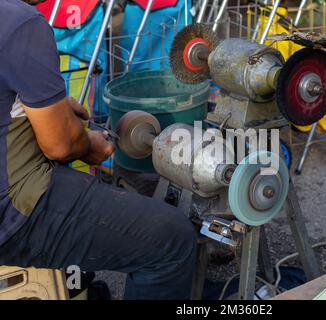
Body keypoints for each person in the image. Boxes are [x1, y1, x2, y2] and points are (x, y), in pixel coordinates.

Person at [0, 0, 197, 300]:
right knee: (172, 239)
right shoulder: (19, 22)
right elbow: (60, 145)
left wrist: (49, 105)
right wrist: (88, 145)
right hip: (11, 215)